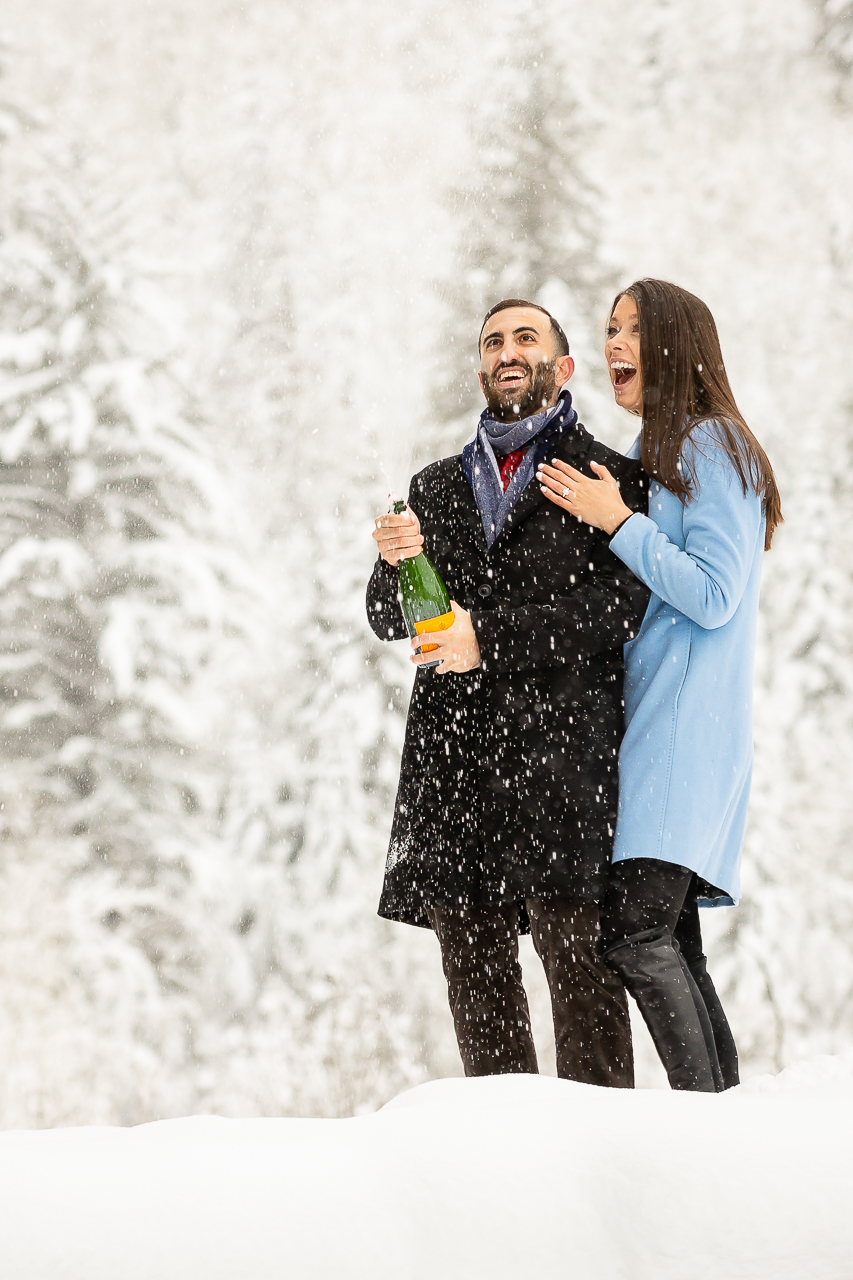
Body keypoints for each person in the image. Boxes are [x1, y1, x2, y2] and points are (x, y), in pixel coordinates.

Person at [367, 300, 650, 1087]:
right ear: (481, 367)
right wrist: (395, 564)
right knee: (479, 1000)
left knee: (585, 990)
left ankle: (607, 1175)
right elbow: (386, 617)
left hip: (564, 773)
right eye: (493, 341)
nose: (506, 351)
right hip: (457, 778)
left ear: (562, 367)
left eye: (526, 337)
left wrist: (484, 638)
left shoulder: (608, 479)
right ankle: (502, 1184)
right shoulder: (433, 485)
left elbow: (616, 610)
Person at [537, 278, 782, 1091]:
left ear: (675, 344)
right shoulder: (660, 454)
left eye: (631, 330)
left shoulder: (712, 445)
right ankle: (723, 1120)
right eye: (607, 329)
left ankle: (704, 1129)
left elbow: (714, 593)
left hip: (682, 732)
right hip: (663, 728)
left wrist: (618, 523)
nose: (612, 345)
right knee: (670, 940)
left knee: (635, 938)